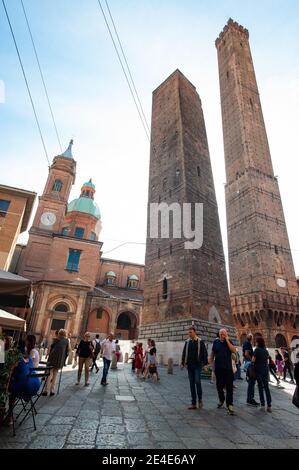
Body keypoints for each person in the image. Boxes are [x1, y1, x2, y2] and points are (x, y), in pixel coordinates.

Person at [208, 328, 237, 415]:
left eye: (224, 334)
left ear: (226, 335)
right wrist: (210, 360)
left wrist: (227, 340)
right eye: (221, 334)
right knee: (219, 386)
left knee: (229, 388)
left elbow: (234, 350)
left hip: (228, 368)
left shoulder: (229, 342)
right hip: (218, 368)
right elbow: (213, 352)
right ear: (219, 334)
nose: (222, 336)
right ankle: (221, 399)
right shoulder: (216, 342)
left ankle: (230, 405)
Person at [181, 326, 208, 410]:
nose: (189, 334)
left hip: (197, 365)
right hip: (190, 366)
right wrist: (182, 363)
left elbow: (204, 353)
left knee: (197, 381)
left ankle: (200, 399)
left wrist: (205, 364)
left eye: (191, 332)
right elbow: (184, 352)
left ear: (195, 332)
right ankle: (193, 403)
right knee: (191, 384)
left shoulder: (200, 342)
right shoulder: (187, 342)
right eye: (189, 332)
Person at [43, 329, 69, 396]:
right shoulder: (66, 341)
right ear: (65, 334)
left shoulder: (55, 340)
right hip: (59, 360)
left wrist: (46, 355)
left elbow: (50, 348)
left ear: (59, 334)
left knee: (49, 374)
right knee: (55, 374)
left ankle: (46, 390)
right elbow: (68, 351)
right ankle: (52, 390)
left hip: (51, 358)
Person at [251, 336, 272, 412]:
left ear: (258, 342)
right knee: (266, 388)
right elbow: (267, 360)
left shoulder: (256, 350)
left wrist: (252, 365)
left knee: (260, 387)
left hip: (258, 370)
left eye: (256, 341)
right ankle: (269, 406)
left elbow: (253, 360)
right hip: (265, 370)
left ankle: (262, 405)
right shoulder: (266, 351)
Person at [243, 333, 259, 406]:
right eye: (251, 337)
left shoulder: (247, 343)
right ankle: (250, 400)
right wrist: (251, 362)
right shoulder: (247, 343)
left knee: (251, 382)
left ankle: (250, 399)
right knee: (251, 383)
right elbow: (246, 354)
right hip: (249, 363)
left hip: (248, 363)